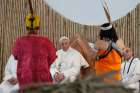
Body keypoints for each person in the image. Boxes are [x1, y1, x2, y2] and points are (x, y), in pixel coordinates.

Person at [12, 13, 57, 92]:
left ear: (26, 27)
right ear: (38, 27)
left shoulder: (19, 41)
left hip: (25, 80)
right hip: (43, 80)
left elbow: (15, 56)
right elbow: (52, 58)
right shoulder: (46, 41)